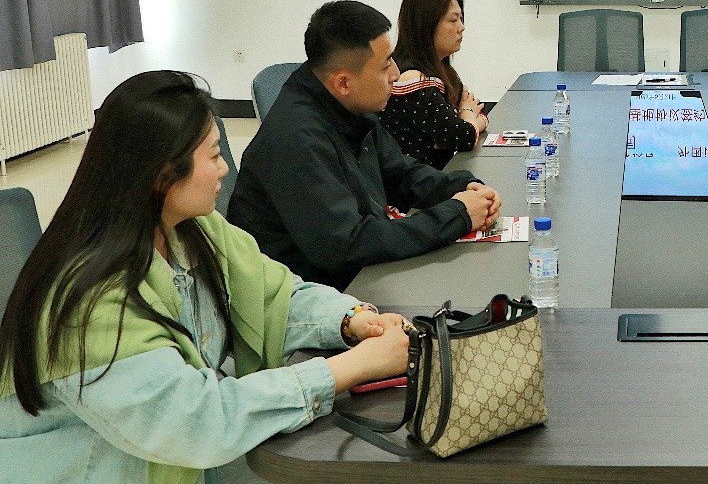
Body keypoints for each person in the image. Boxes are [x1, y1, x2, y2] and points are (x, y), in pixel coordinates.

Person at [0, 71, 410, 484]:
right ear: (162, 174)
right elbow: (195, 420)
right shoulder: (91, 299)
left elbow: (276, 296)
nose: (225, 168)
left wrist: (350, 319)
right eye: (213, 156)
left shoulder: (194, 229)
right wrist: (352, 367)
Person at [228, 1, 501, 290]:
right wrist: (457, 215)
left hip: (355, 278)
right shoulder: (296, 139)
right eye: (385, 65)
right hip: (309, 295)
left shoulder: (349, 107)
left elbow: (401, 174)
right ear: (343, 83)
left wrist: (463, 188)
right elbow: (348, 244)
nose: (395, 73)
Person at [379, 0, 487, 170]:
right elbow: (463, 137)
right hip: (414, 184)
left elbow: (476, 114)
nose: (461, 27)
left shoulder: (441, 70)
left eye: (461, 19)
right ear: (425, 25)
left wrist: (467, 120)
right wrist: (468, 115)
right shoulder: (411, 78)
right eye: (453, 20)